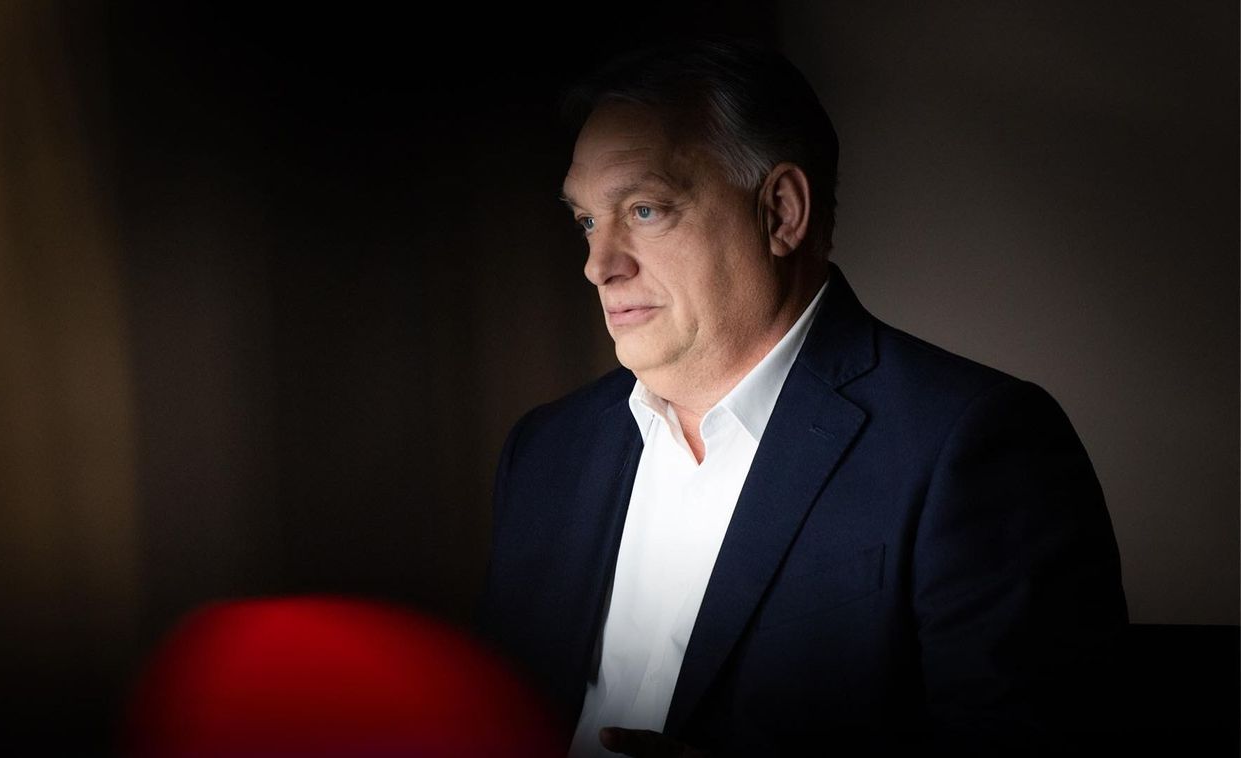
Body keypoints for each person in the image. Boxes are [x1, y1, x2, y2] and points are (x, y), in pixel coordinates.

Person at [475, 39, 1127, 757]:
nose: (599, 265)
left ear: (781, 212)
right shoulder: (545, 451)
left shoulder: (976, 445)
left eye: (646, 210)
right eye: (587, 221)